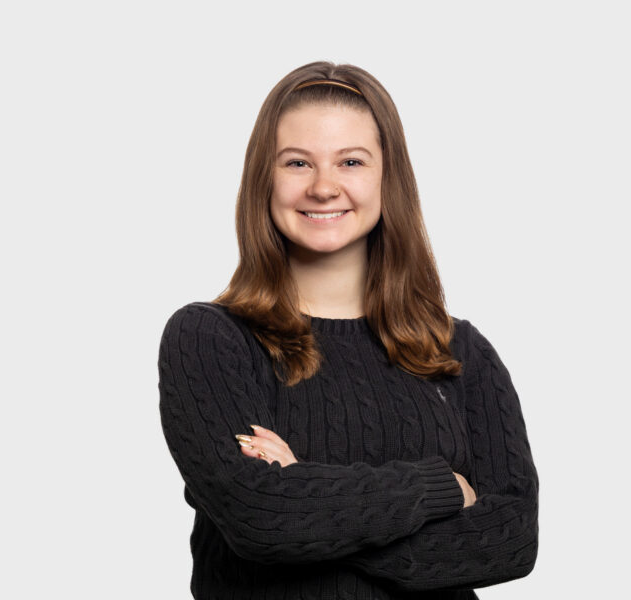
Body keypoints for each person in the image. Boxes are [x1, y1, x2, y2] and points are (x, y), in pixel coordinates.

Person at [158, 61, 539, 599]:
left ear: (388, 178)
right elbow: (260, 518)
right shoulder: (209, 338)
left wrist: (306, 488)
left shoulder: (458, 352)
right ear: (264, 179)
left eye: (351, 161)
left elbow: (512, 539)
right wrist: (444, 487)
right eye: (297, 163)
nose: (323, 186)